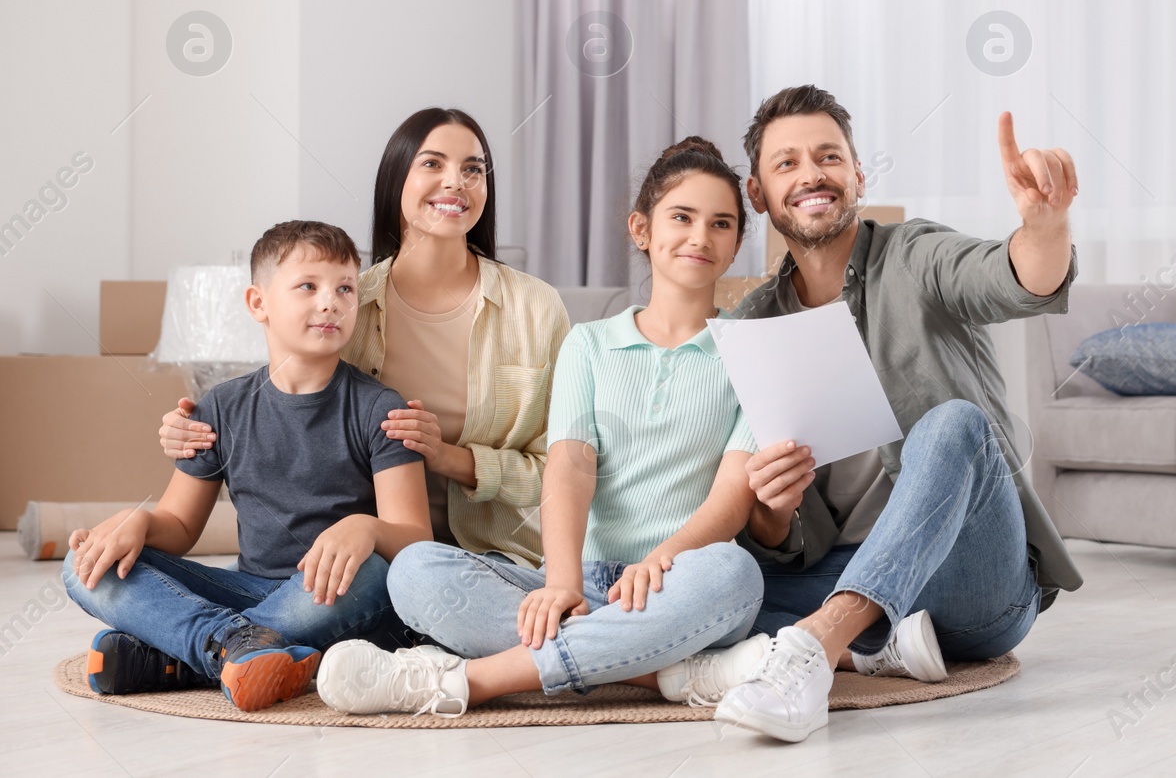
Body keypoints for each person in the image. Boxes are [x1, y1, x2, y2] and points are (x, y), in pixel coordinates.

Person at [315, 138, 770, 716]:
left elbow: (733, 497)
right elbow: (571, 466)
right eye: (681, 217)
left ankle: (464, 682)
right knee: (415, 571)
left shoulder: (752, 356)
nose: (700, 237)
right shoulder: (589, 343)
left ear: (735, 246)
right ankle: (664, 672)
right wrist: (561, 583)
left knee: (736, 573)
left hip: (682, 585)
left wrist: (663, 561)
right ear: (641, 229)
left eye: (721, 224)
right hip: (582, 583)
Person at [713, 85, 1081, 742]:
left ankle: (815, 650)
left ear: (857, 173)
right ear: (758, 193)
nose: (812, 174)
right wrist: (770, 513)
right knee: (714, 580)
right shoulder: (753, 323)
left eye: (829, 156)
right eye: (787, 163)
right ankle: (870, 649)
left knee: (956, 424)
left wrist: (1044, 229)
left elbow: (1016, 277)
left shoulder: (916, 256)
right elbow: (782, 533)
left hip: (970, 586)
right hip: (842, 569)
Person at [158, 108, 569, 570]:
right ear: (396, 181)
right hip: (369, 562)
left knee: (430, 585)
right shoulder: (346, 303)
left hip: (493, 556)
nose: (457, 182)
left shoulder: (536, 309)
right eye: (433, 164)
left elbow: (564, 467)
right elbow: (293, 416)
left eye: (473, 169)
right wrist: (196, 432)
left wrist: (448, 458)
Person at [62, 221, 431, 712]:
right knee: (85, 565)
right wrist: (139, 521)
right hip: (245, 588)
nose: (331, 302)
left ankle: (186, 657)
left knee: (371, 573)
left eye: (345, 288)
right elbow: (178, 527)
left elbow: (414, 536)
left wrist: (365, 528)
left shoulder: (378, 408)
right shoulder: (222, 407)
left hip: (332, 592)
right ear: (258, 303)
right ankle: (236, 645)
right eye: (308, 286)